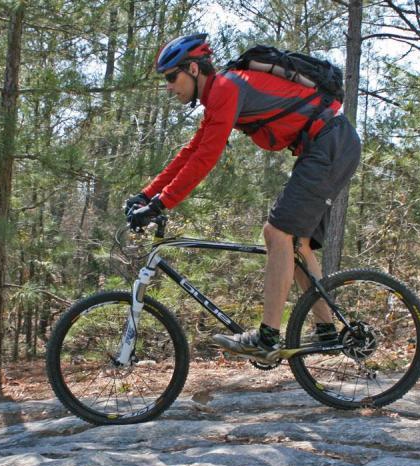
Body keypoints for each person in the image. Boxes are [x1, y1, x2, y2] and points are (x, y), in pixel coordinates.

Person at [125, 33, 361, 361]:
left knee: (276, 232)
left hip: (331, 144)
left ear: (193, 69)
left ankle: (267, 338)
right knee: (297, 244)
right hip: (328, 145)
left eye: (171, 77)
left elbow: (205, 158)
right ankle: (327, 332)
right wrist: (147, 194)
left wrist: (161, 203)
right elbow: (191, 152)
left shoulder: (226, 87)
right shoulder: (220, 95)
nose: (168, 87)